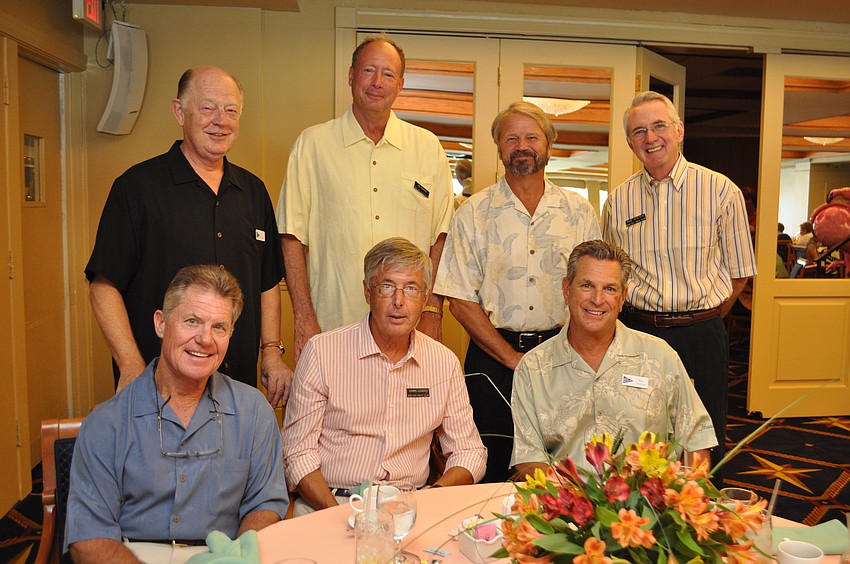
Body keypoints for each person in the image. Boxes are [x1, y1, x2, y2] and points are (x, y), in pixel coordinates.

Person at [85, 66, 291, 406]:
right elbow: (103, 286)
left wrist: (271, 351)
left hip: (235, 390)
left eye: (231, 111)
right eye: (208, 108)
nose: (220, 121)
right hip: (156, 390)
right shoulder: (136, 188)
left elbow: (267, 282)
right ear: (179, 112)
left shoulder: (253, 191)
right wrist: (130, 364)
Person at [65, 265, 289, 563]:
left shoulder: (254, 412)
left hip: (223, 554)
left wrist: (237, 557)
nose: (205, 339)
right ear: (161, 323)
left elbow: (265, 505)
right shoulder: (106, 424)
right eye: (192, 321)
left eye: (219, 327)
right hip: (131, 554)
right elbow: (89, 538)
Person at [434, 101, 601, 483]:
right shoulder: (472, 213)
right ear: (499, 147)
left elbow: (594, 291)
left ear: (549, 145)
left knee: (566, 467)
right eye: (511, 138)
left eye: (531, 137)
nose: (521, 145)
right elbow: (459, 298)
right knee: (490, 462)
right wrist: (511, 357)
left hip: (564, 359)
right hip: (491, 359)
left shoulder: (579, 213)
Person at [601, 91, 756, 474]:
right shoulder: (618, 201)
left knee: (703, 437)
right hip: (639, 334)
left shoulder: (721, 191)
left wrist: (703, 316)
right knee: (639, 430)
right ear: (630, 142)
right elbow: (611, 275)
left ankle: (699, 516)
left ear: (679, 130)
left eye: (659, 126)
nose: (650, 138)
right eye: (639, 131)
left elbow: (739, 272)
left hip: (702, 334)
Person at [277, 35, 453, 360]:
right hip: (332, 328)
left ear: (400, 84)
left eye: (388, 74)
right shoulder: (312, 145)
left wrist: (431, 310)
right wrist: (302, 317)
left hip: (408, 333)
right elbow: (292, 237)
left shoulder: (427, 149)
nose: (377, 82)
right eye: (368, 70)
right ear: (350, 76)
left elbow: (440, 240)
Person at [282, 237, 486, 516]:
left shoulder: (443, 362)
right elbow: (297, 454)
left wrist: (430, 501)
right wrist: (335, 514)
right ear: (368, 293)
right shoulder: (322, 352)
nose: (399, 301)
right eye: (387, 287)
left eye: (411, 289)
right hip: (331, 502)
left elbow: (469, 452)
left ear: (425, 298)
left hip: (412, 504)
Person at [511, 240, 717, 478]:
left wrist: (681, 494)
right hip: (567, 507)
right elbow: (529, 459)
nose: (597, 300)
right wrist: (570, 501)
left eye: (609, 289)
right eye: (587, 286)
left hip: (648, 507)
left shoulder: (661, 358)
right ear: (566, 290)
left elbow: (696, 441)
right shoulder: (533, 368)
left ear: (622, 298)